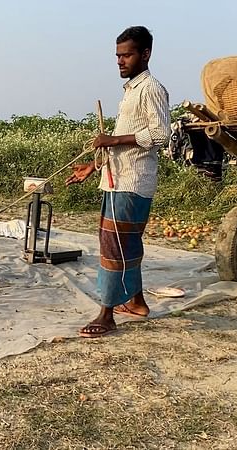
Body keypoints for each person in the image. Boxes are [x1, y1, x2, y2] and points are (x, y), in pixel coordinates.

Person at [65, 26, 170, 338]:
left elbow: (161, 134)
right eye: (118, 56)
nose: (121, 61)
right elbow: (123, 147)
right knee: (126, 243)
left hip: (131, 182)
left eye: (127, 55)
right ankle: (136, 302)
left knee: (114, 246)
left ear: (146, 54)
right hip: (116, 178)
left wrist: (112, 139)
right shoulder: (132, 90)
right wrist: (92, 166)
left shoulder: (151, 88)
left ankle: (106, 313)